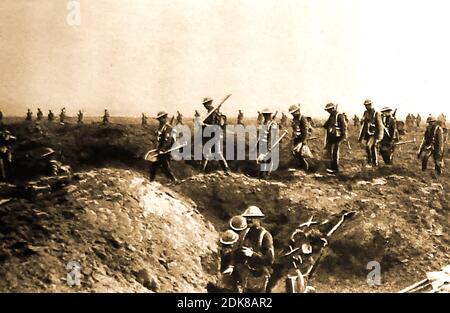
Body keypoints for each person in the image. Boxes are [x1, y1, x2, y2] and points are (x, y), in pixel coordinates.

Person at [235, 206, 274, 293]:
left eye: (251, 218)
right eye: (247, 218)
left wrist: (252, 255)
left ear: (258, 219)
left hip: (261, 277)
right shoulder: (244, 234)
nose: (248, 220)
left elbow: (270, 260)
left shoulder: (265, 236)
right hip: (246, 276)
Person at [201, 97, 230, 174]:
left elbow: (216, 126)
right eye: (204, 104)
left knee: (216, 153)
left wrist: (204, 125)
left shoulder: (215, 113)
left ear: (210, 103)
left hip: (215, 134)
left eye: (206, 104)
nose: (205, 106)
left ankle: (226, 169)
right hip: (209, 135)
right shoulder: (209, 113)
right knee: (207, 152)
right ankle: (201, 171)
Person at [149, 111, 177, 182]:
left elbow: (168, 140)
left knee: (164, 166)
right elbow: (159, 138)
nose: (160, 120)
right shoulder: (160, 127)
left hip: (165, 150)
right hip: (160, 150)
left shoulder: (168, 128)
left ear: (164, 118)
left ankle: (174, 180)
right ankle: (151, 180)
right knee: (156, 166)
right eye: (159, 119)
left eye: (161, 118)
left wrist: (163, 150)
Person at [323, 103, 347, 174]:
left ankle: (335, 169)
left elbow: (343, 128)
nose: (328, 111)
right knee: (330, 153)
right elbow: (326, 125)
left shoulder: (339, 116)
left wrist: (342, 138)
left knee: (335, 153)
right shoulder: (331, 116)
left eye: (329, 110)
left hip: (338, 138)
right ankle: (331, 167)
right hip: (331, 138)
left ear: (333, 109)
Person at [358, 99, 384, 167]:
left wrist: (379, 136)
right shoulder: (365, 113)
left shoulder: (376, 113)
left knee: (368, 146)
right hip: (367, 134)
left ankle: (372, 162)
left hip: (374, 134)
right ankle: (373, 163)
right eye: (365, 105)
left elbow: (380, 126)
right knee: (371, 148)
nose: (366, 106)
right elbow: (363, 123)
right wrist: (362, 120)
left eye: (368, 105)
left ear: (371, 105)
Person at [257, 108, 278, 178]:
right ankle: (261, 175)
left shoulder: (273, 124)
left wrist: (269, 147)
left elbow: (272, 136)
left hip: (269, 144)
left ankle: (267, 175)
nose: (266, 116)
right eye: (264, 115)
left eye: (267, 115)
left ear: (270, 115)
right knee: (262, 160)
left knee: (268, 160)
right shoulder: (263, 123)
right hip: (262, 144)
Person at [289, 104, 310, 170]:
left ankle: (305, 167)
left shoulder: (302, 118)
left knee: (301, 153)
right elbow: (294, 129)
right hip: (296, 138)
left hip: (301, 138)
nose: (292, 114)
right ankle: (300, 166)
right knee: (296, 153)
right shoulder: (294, 119)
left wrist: (303, 141)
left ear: (297, 111)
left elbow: (305, 131)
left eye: (293, 113)